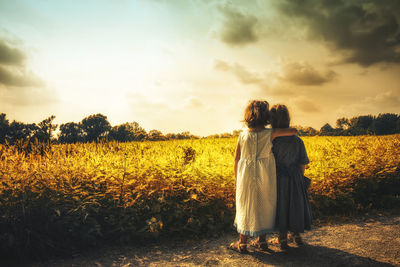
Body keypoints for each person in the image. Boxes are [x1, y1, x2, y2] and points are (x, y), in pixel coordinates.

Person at [229, 100, 298, 253]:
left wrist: (236, 178)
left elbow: (236, 158)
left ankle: (242, 243)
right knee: (264, 205)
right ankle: (262, 242)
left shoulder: (242, 135)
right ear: (266, 117)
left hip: (245, 176)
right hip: (265, 175)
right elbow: (294, 131)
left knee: (245, 206)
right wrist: (276, 126)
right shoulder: (270, 133)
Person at [270, 104, 312, 250]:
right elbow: (303, 162)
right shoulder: (298, 140)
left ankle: (282, 238)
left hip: (277, 178)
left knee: (281, 207)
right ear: (288, 118)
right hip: (294, 177)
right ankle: (296, 235)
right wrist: (300, 178)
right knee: (295, 206)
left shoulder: (271, 140)